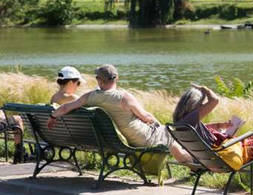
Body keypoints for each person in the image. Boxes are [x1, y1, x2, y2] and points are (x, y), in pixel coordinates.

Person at [48, 64, 193, 164]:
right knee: (170, 135)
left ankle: (192, 162)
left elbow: (66, 108)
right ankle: (193, 163)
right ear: (116, 79)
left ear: (99, 80)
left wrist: (53, 116)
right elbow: (146, 118)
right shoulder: (124, 97)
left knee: (167, 134)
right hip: (139, 138)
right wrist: (156, 123)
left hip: (112, 140)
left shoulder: (89, 97)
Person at [3, 65, 87, 163]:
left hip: (51, 135)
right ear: (70, 82)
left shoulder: (54, 98)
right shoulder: (73, 98)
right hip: (69, 137)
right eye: (78, 83)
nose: (78, 86)